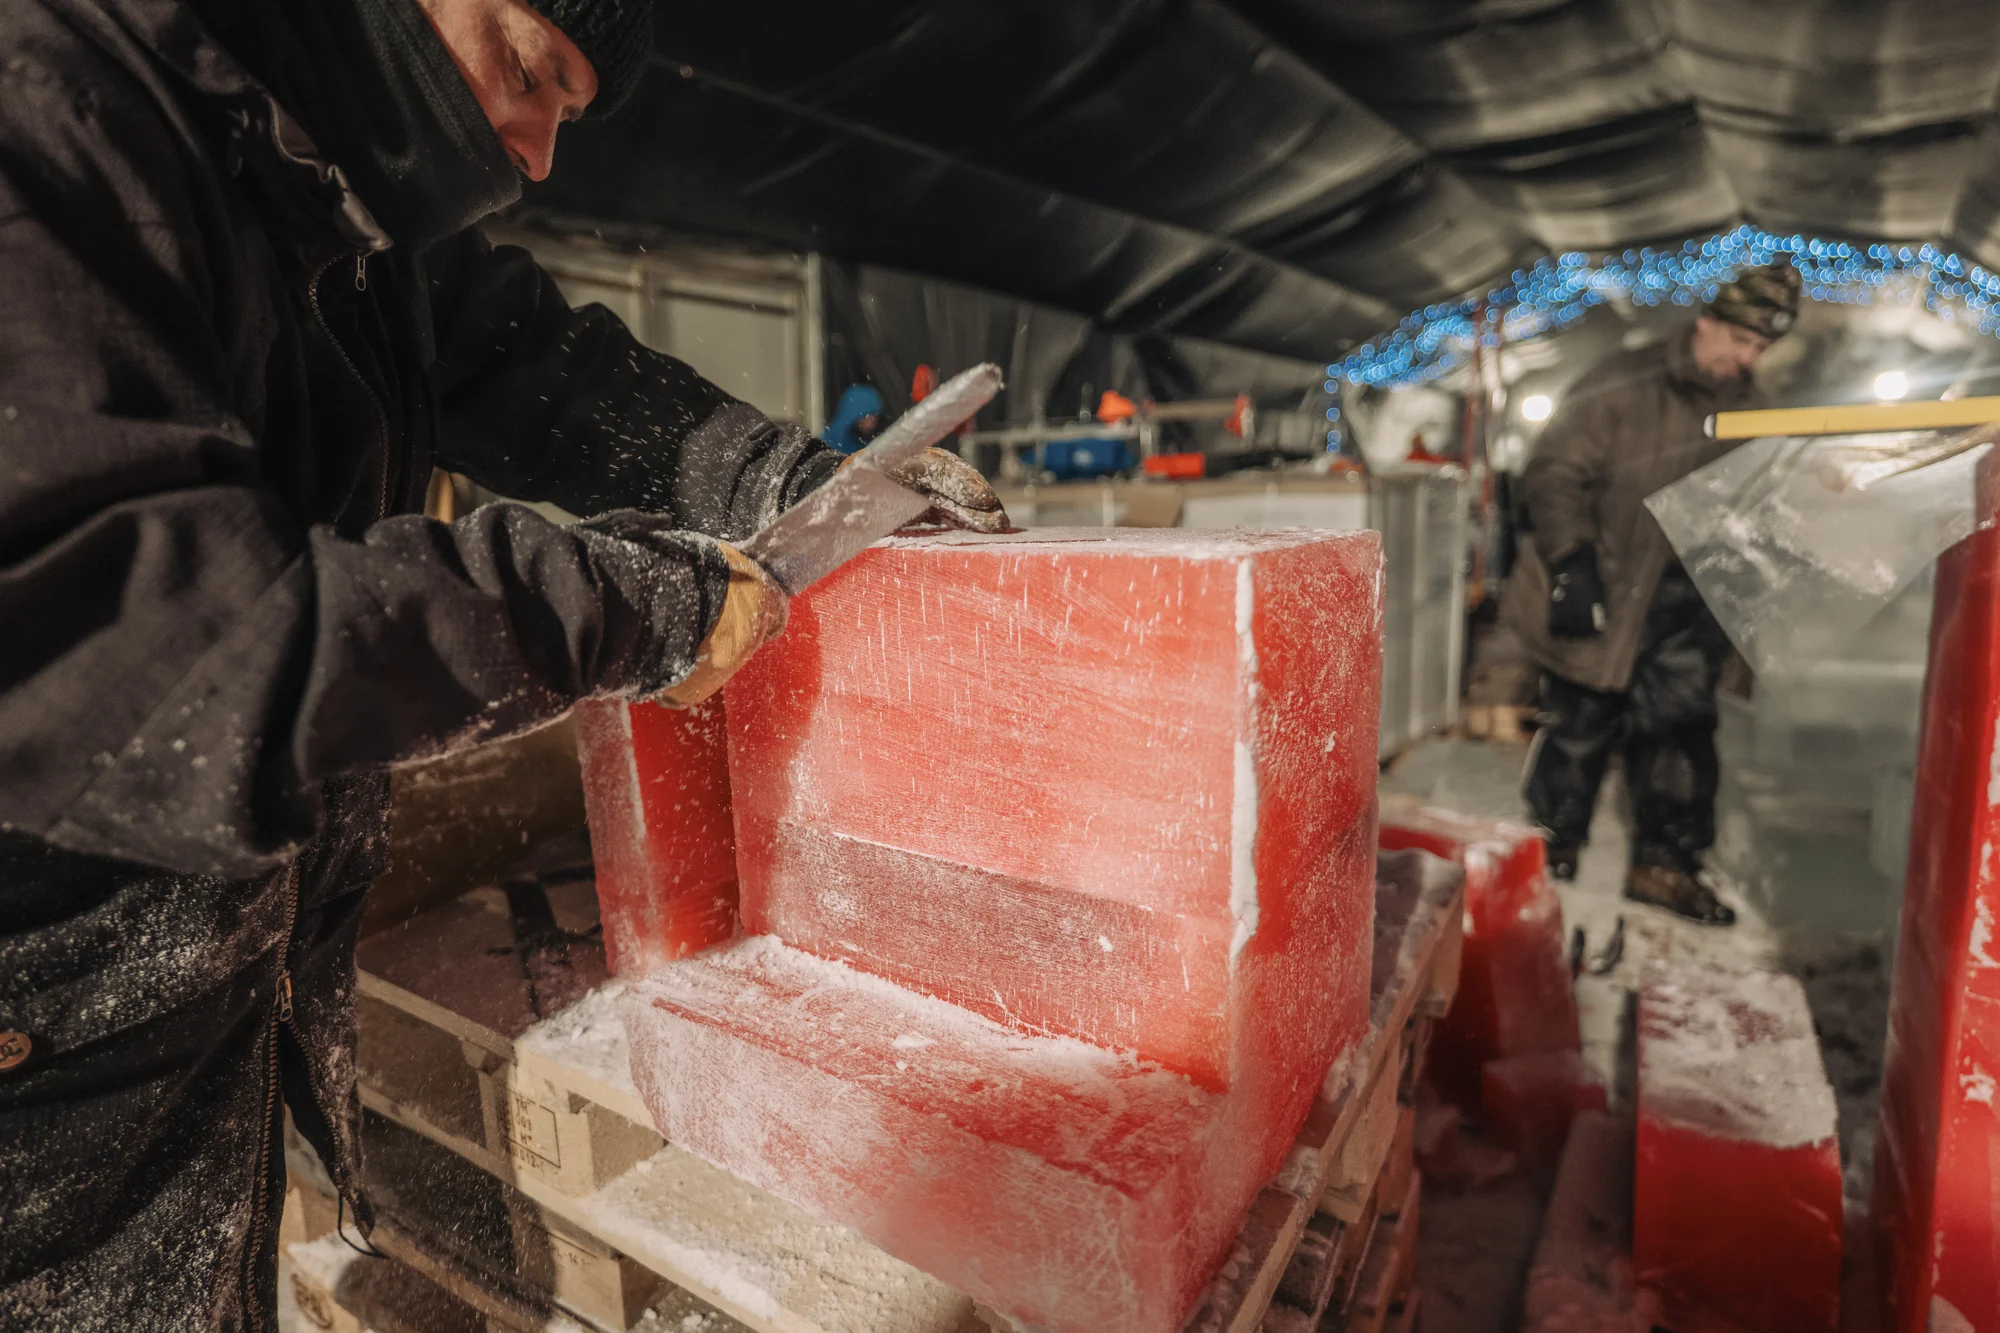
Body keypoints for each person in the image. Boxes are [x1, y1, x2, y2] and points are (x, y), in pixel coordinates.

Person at [0, 0, 1004, 1328]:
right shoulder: (47, 111)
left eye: (567, 116)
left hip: (201, 984)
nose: (535, 155)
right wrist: (628, 609)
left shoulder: (331, 205)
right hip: (41, 1034)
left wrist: (813, 489)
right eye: (531, 76)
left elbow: (555, 377)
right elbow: (176, 644)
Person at [1504, 264, 1803, 926]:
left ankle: (1663, 866)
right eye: (1736, 339)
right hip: (1604, 585)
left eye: (1758, 347)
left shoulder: (1754, 412)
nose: (1744, 357)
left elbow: (1762, 509)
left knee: (1680, 736)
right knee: (1578, 725)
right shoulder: (1625, 379)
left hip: (1683, 604)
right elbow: (1556, 467)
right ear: (1705, 322)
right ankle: (1552, 854)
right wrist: (1569, 563)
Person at [824, 383, 887, 455]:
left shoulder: (875, 443)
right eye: (866, 416)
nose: (871, 421)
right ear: (852, 415)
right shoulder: (829, 444)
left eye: (874, 416)